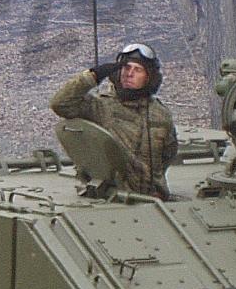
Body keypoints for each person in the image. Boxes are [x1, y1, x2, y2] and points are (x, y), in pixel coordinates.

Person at [49, 42, 177, 199]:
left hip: (152, 201)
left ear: (149, 77)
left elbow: (168, 154)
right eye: (126, 68)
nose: (129, 74)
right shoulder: (100, 106)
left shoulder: (160, 114)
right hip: (112, 199)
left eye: (137, 70)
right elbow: (60, 103)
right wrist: (93, 76)